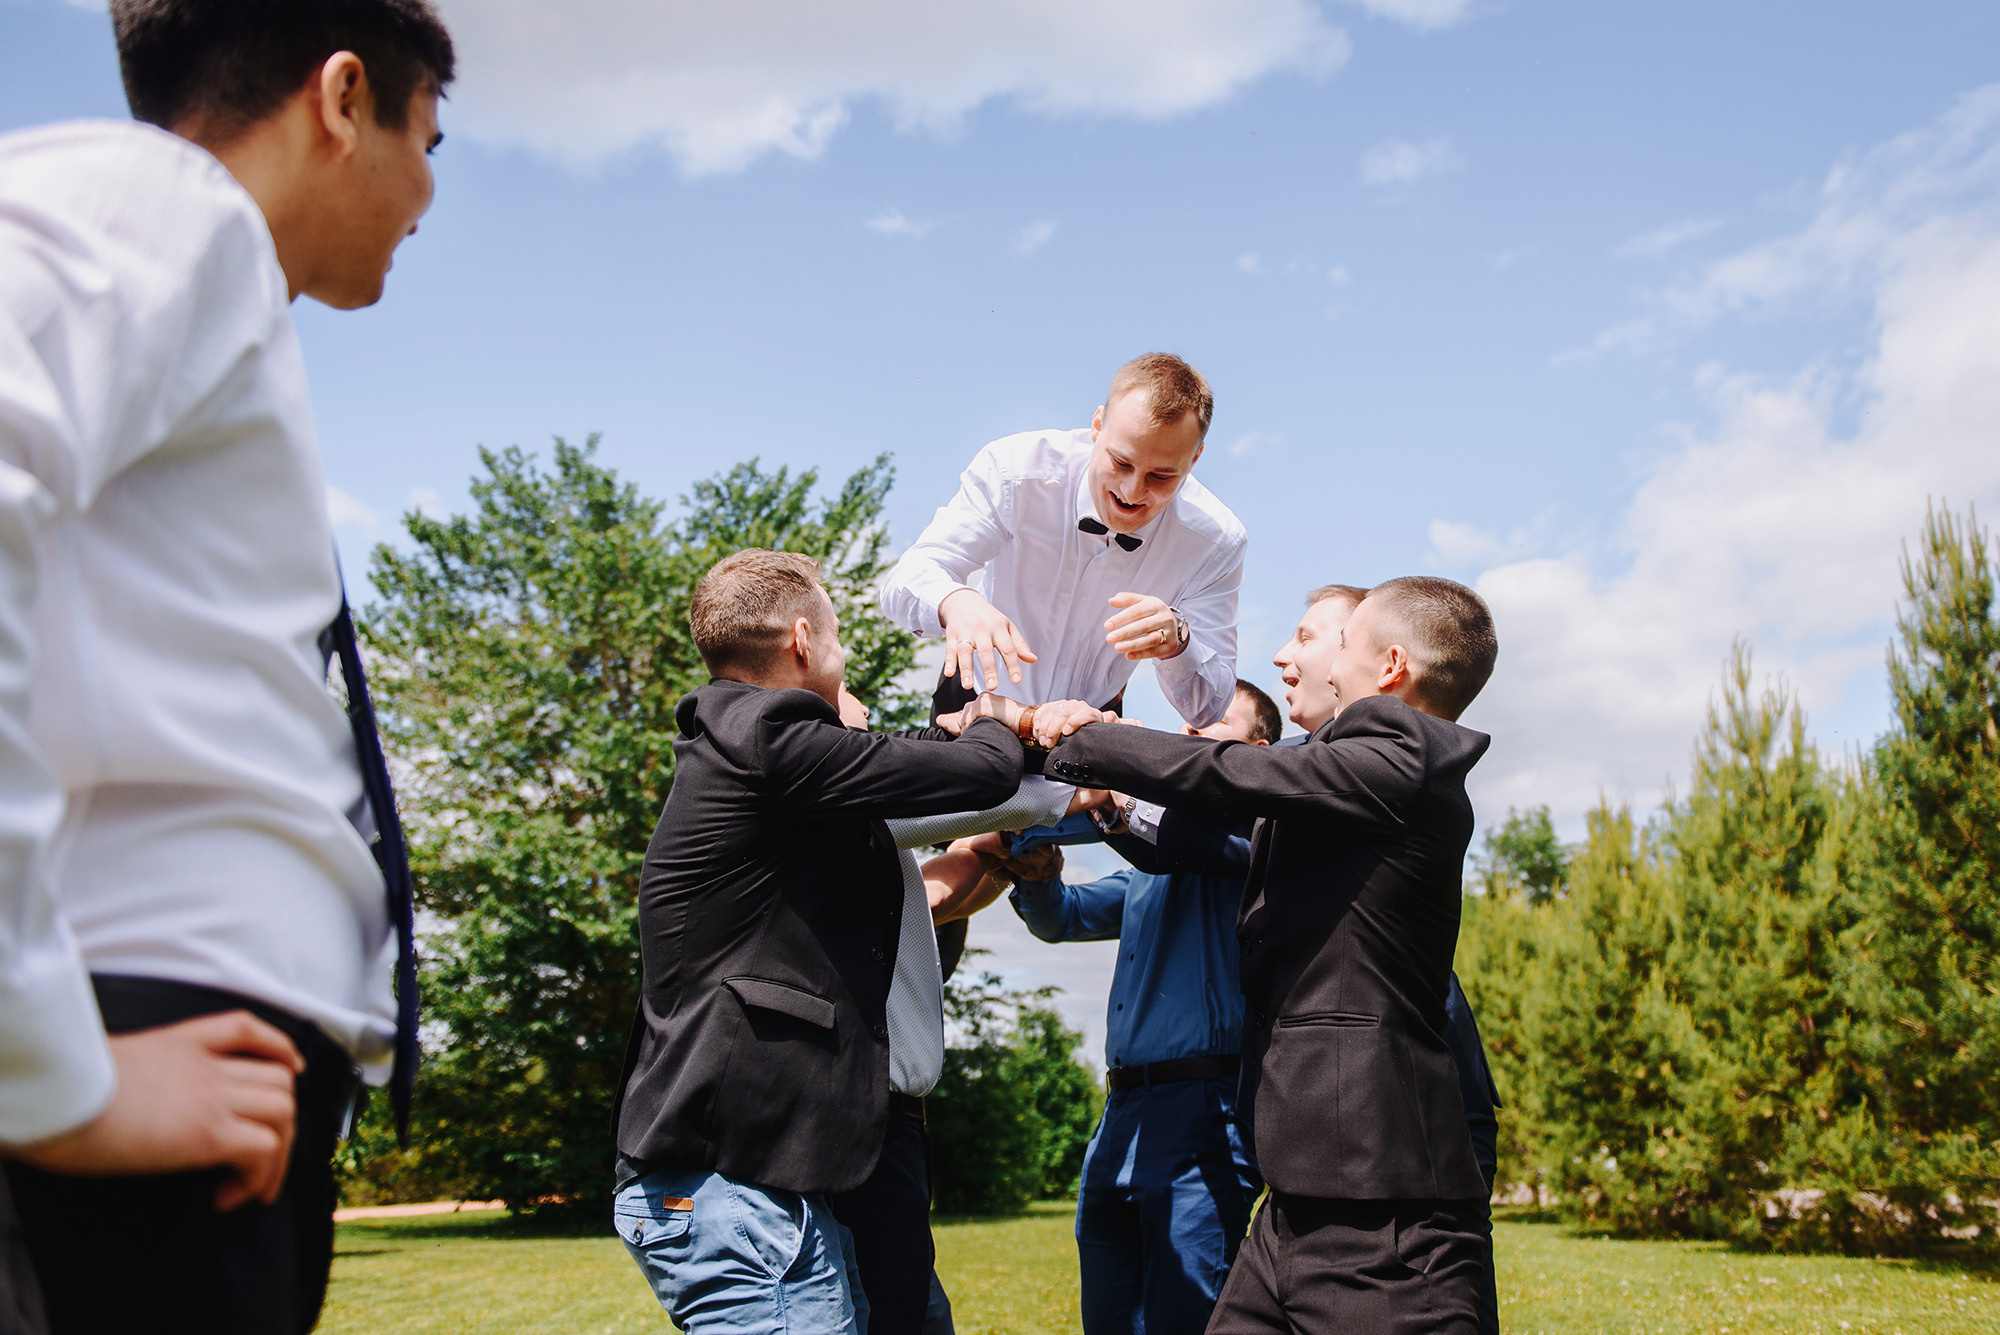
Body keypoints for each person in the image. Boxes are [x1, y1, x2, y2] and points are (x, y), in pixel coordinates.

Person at [0, 2, 455, 1330]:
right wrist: (50, 1072)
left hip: (175, 1082)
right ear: (341, 95)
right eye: (429, 139)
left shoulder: (200, 272)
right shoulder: (167, 207)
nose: (428, 189)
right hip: (117, 1084)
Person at [611, 549, 1098, 1334]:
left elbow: (929, 778)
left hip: (755, 1182)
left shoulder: (750, 752)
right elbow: (975, 776)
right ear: (804, 638)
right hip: (727, 1183)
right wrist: (998, 717)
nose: (845, 657)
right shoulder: (761, 732)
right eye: (838, 633)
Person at [999, 575, 1500, 1333]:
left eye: (1337, 639)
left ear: (1389, 665)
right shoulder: (1342, 777)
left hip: (1386, 1206)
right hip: (1300, 1192)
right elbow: (1202, 821)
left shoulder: (1406, 754)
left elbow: (1225, 774)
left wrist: (1079, 733)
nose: (1305, 657)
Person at [1004, 680, 1280, 1335]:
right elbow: (1064, 918)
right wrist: (1040, 881)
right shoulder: (1145, 873)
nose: (1185, 735)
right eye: (1183, 724)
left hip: (1202, 1108)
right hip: (1120, 1115)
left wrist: (1109, 799)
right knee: (1109, 1314)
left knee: (1188, 1316)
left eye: (1209, 723)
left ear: (1259, 748)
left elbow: (1164, 831)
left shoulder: (1254, 843)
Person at [879, 353, 1247, 729]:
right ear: (1097, 426)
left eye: (1161, 476)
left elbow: (1209, 710)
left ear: (1196, 457)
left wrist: (1179, 644)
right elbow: (904, 581)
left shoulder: (1216, 542)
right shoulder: (1014, 472)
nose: (1132, 490)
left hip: (1088, 728)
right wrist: (955, 601)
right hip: (972, 713)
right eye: (1121, 462)